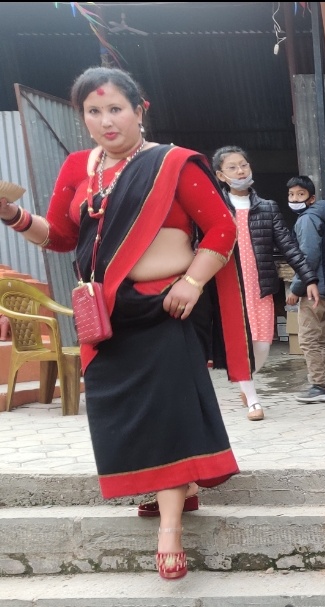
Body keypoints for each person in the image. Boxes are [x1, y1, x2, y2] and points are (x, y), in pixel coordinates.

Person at [0, 66, 253, 579]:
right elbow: (63, 237)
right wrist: (12, 216)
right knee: (123, 415)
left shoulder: (172, 165)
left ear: (140, 110)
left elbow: (221, 228)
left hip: (166, 307)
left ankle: (170, 531)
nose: (106, 120)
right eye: (94, 112)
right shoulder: (77, 167)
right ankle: (168, 488)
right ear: (83, 118)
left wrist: (194, 282)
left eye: (116, 108)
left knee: (167, 413)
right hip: (106, 315)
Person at [212, 145, 320, 420]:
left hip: (260, 286)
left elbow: (289, 246)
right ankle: (252, 399)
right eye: (233, 167)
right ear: (221, 176)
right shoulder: (215, 208)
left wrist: (308, 277)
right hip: (228, 288)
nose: (240, 171)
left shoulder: (267, 208)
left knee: (262, 343)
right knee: (239, 343)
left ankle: (245, 381)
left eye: (244, 165)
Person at [286, 175, 325, 403]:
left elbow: (308, 257)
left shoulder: (307, 220)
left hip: (314, 289)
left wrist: (296, 288)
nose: (294, 198)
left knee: (309, 338)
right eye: (291, 194)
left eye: (300, 194)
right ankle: (324, 384)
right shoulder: (323, 218)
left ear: (311, 198)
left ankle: (318, 385)